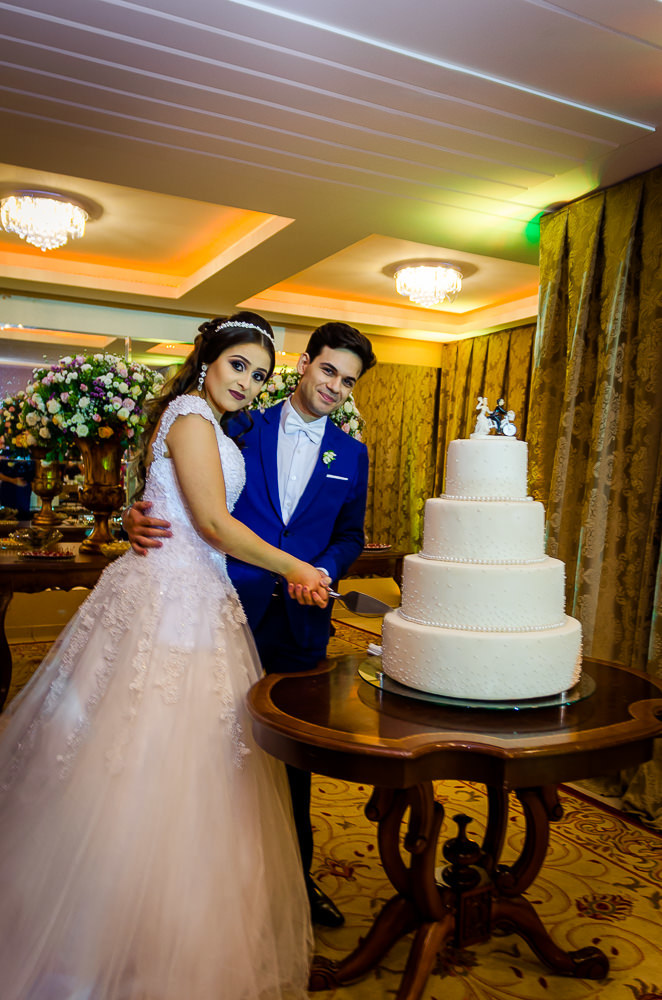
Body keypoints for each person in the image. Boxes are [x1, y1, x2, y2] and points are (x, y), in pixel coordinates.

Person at [0, 313, 327, 1000]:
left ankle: (168, 927)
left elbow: (178, 505)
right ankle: (101, 942)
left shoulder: (211, 424)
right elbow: (209, 521)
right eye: (238, 364)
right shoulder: (187, 413)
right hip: (166, 601)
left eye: (260, 374)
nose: (248, 381)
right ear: (208, 357)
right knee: (135, 756)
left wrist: (130, 509)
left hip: (200, 598)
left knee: (196, 765)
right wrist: (297, 566)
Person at [126, 320, 377, 927]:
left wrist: (320, 566)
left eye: (347, 382)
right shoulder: (237, 421)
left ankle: (296, 880)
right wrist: (130, 520)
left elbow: (350, 535)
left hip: (299, 623)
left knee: (290, 759)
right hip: (219, 609)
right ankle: (198, 882)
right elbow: (184, 502)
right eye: (327, 371)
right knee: (207, 746)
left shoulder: (353, 454)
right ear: (305, 363)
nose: (334, 387)